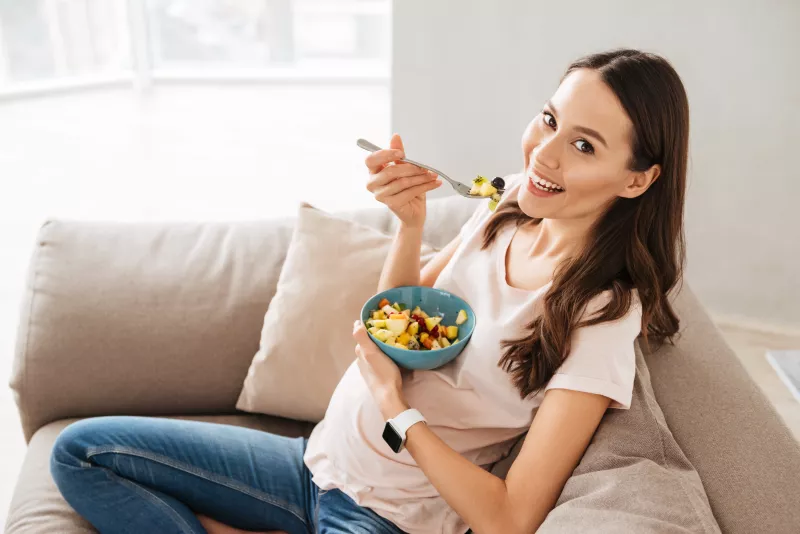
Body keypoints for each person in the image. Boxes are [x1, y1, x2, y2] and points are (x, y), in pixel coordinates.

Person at [49, 48, 689, 534]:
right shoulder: (501, 214)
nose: (543, 154)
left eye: (582, 145)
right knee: (80, 451)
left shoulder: (602, 313)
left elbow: (512, 517)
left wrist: (394, 406)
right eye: (549, 119)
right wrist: (409, 228)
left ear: (637, 180)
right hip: (313, 463)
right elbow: (400, 319)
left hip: (389, 516)